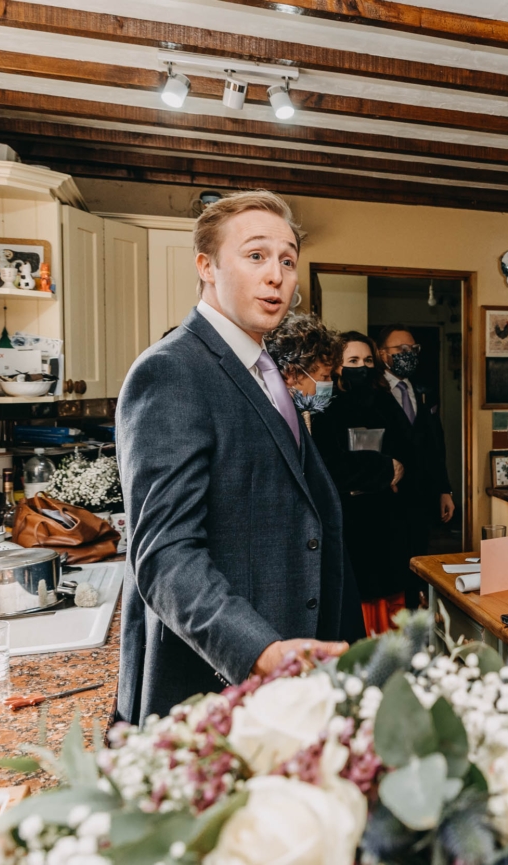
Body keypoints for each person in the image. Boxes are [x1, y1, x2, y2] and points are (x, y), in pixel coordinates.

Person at [116, 190, 360, 725]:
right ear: (206, 266)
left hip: (292, 679)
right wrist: (258, 650)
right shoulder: (172, 370)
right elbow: (165, 557)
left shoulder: (261, 368)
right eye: (256, 255)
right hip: (219, 686)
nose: (276, 275)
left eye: (288, 261)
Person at [313, 331, 412, 633]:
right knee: (357, 601)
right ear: (336, 365)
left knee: (391, 591)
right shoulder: (324, 402)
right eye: (353, 360)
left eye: (368, 360)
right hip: (349, 521)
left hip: (388, 517)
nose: (362, 367)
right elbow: (328, 464)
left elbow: (408, 446)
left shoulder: (383, 398)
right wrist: (382, 468)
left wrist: (398, 467)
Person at [378, 324, 455, 573]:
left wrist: (444, 490)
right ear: (382, 353)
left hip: (422, 495)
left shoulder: (424, 390)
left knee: (419, 562)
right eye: (401, 349)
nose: (408, 354)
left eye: (412, 349)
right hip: (388, 495)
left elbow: (436, 444)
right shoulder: (373, 390)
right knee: (390, 564)